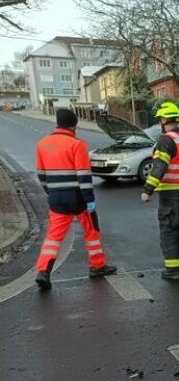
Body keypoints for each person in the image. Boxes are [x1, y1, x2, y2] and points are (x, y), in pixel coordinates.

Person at [34, 108, 117, 290]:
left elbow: (41, 175)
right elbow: (84, 176)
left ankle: (43, 271)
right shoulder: (77, 144)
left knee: (53, 237)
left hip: (56, 198)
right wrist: (90, 201)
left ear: (57, 123)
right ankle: (97, 266)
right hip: (77, 197)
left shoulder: (42, 144)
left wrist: (51, 192)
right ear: (74, 125)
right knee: (91, 231)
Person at [140, 102, 179, 281]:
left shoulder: (166, 140)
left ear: (163, 121)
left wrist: (147, 190)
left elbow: (159, 166)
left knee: (170, 231)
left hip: (170, 196)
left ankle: (174, 270)